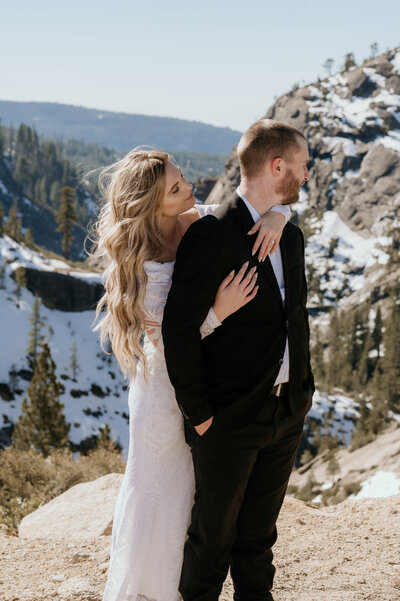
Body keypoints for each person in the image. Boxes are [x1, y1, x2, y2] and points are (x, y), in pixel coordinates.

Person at [92, 147, 290, 601]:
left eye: (182, 178)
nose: (189, 188)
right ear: (151, 204)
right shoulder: (137, 257)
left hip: (205, 378)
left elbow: (248, 209)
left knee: (203, 497)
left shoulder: (194, 220)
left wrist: (280, 214)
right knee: (166, 494)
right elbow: (168, 337)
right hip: (163, 391)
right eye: (176, 188)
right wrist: (217, 312)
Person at [162, 119, 315, 601]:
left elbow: (294, 318)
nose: (307, 174)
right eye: (303, 165)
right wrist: (202, 416)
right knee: (211, 544)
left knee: (258, 543)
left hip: (285, 414)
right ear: (277, 166)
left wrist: (300, 397)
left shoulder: (289, 235)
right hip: (227, 419)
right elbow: (178, 330)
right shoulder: (212, 235)